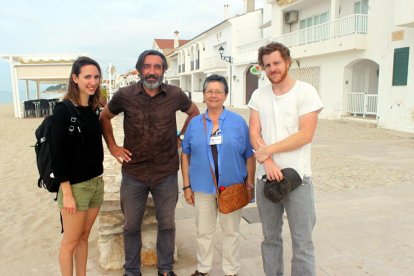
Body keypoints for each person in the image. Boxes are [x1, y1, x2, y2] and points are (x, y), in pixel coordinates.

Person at [99, 50, 200, 276]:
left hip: (166, 172)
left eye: (157, 67)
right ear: (139, 69)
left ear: (164, 70)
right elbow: (104, 117)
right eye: (147, 66)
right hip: (134, 173)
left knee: (167, 225)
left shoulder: (175, 94)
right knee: (131, 226)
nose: (152, 71)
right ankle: (132, 271)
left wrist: (181, 137)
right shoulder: (125, 95)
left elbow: (194, 113)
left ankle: (165, 269)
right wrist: (113, 147)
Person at [248, 42, 323, 276]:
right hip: (266, 179)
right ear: (262, 68)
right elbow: (254, 133)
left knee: (302, 242)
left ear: (287, 62)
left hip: (298, 179)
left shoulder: (306, 91)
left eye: (277, 63)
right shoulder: (258, 95)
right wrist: (267, 162)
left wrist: (267, 150)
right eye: (267, 65)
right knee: (270, 238)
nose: (273, 68)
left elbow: (305, 135)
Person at [181, 74, 256, 276]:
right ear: (204, 95)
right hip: (202, 187)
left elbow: (249, 154)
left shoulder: (238, 122)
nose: (214, 95)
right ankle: (203, 268)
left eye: (218, 91)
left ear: (225, 95)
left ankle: (231, 271)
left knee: (231, 232)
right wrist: (187, 186)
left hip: (231, 187)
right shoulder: (195, 123)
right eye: (209, 91)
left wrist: (250, 183)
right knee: (203, 232)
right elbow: (185, 154)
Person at [51, 56, 104, 276]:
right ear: (75, 78)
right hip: (75, 187)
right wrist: (67, 192)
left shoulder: (93, 108)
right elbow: (58, 153)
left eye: (96, 77)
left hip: (96, 184)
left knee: (84, 237)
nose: (93, 81)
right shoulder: (63, 110)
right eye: (87, 77)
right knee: (70, 242)